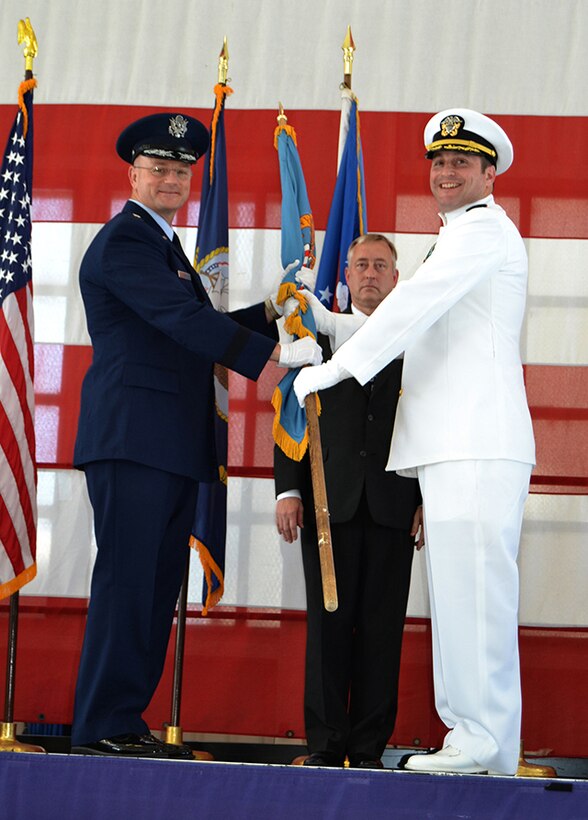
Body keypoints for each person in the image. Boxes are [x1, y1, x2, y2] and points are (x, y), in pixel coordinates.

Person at [70, 112, 321, 759]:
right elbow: (183, 321)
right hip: (135, 439)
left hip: (165, 442)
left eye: (182, 171)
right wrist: (274, 357)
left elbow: (190, 323)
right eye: (159, 168)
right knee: (130, 581)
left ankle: (122, 721)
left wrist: (269, 312)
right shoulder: (126, 241)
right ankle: (101, 722)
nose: (172, 179)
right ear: (133, 174)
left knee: (154, 585)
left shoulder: (163, 248)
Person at [293, 109, 535, 776]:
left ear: (490, 173)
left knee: (478, 599)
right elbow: (412, 321)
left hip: (477, 441)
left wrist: (330, 369)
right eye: (440, 162)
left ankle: (481, 740)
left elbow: (408, 308)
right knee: (462, 599)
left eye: (462, 162)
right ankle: (481, 745)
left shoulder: (481, 232)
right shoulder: (457, 237)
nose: (447, 172)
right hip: (458, 445)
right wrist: (326, 326)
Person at [275, 234, 423, 770]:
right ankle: (324, 743)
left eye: (381, 265)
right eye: (361, 263)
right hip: (324, 505)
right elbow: (291, 414)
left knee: (382, 632)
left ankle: (366, 750)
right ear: (347, 273)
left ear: (396, 277)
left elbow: (433, 423)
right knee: (328, 627)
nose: (370, 273)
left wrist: (427, 498)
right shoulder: (317, 340)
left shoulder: (418, 341)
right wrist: (288, 489)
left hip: (393, 506)